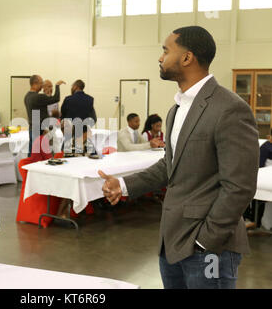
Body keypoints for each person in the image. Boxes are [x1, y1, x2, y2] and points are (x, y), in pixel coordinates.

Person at [99, 26, 259, 289]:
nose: (160, 58)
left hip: (209, 250)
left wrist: (205, 241)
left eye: (165, 50)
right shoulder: (177, 109)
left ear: (187, 58)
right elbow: (169, 166)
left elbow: (239, 187)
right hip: (171, 243)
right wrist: (125, 185)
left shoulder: (229, 109)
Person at [24, 75, 65, 157]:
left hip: (32, 128)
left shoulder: (27, 96)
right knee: (41, 153)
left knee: (32, 151)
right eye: (41, 83)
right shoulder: (38, 97)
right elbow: (56, 98)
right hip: (40, 129)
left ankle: (28, 168)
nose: (42, 85)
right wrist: (57, 86)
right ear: (35, 84)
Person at [244, 129, 272, 229]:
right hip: (260, 179)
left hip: (264, 180)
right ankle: (253, 221)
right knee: (256, 199)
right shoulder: (266, 148)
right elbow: (259, 165)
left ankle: (255, 221)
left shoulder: (267, 147)